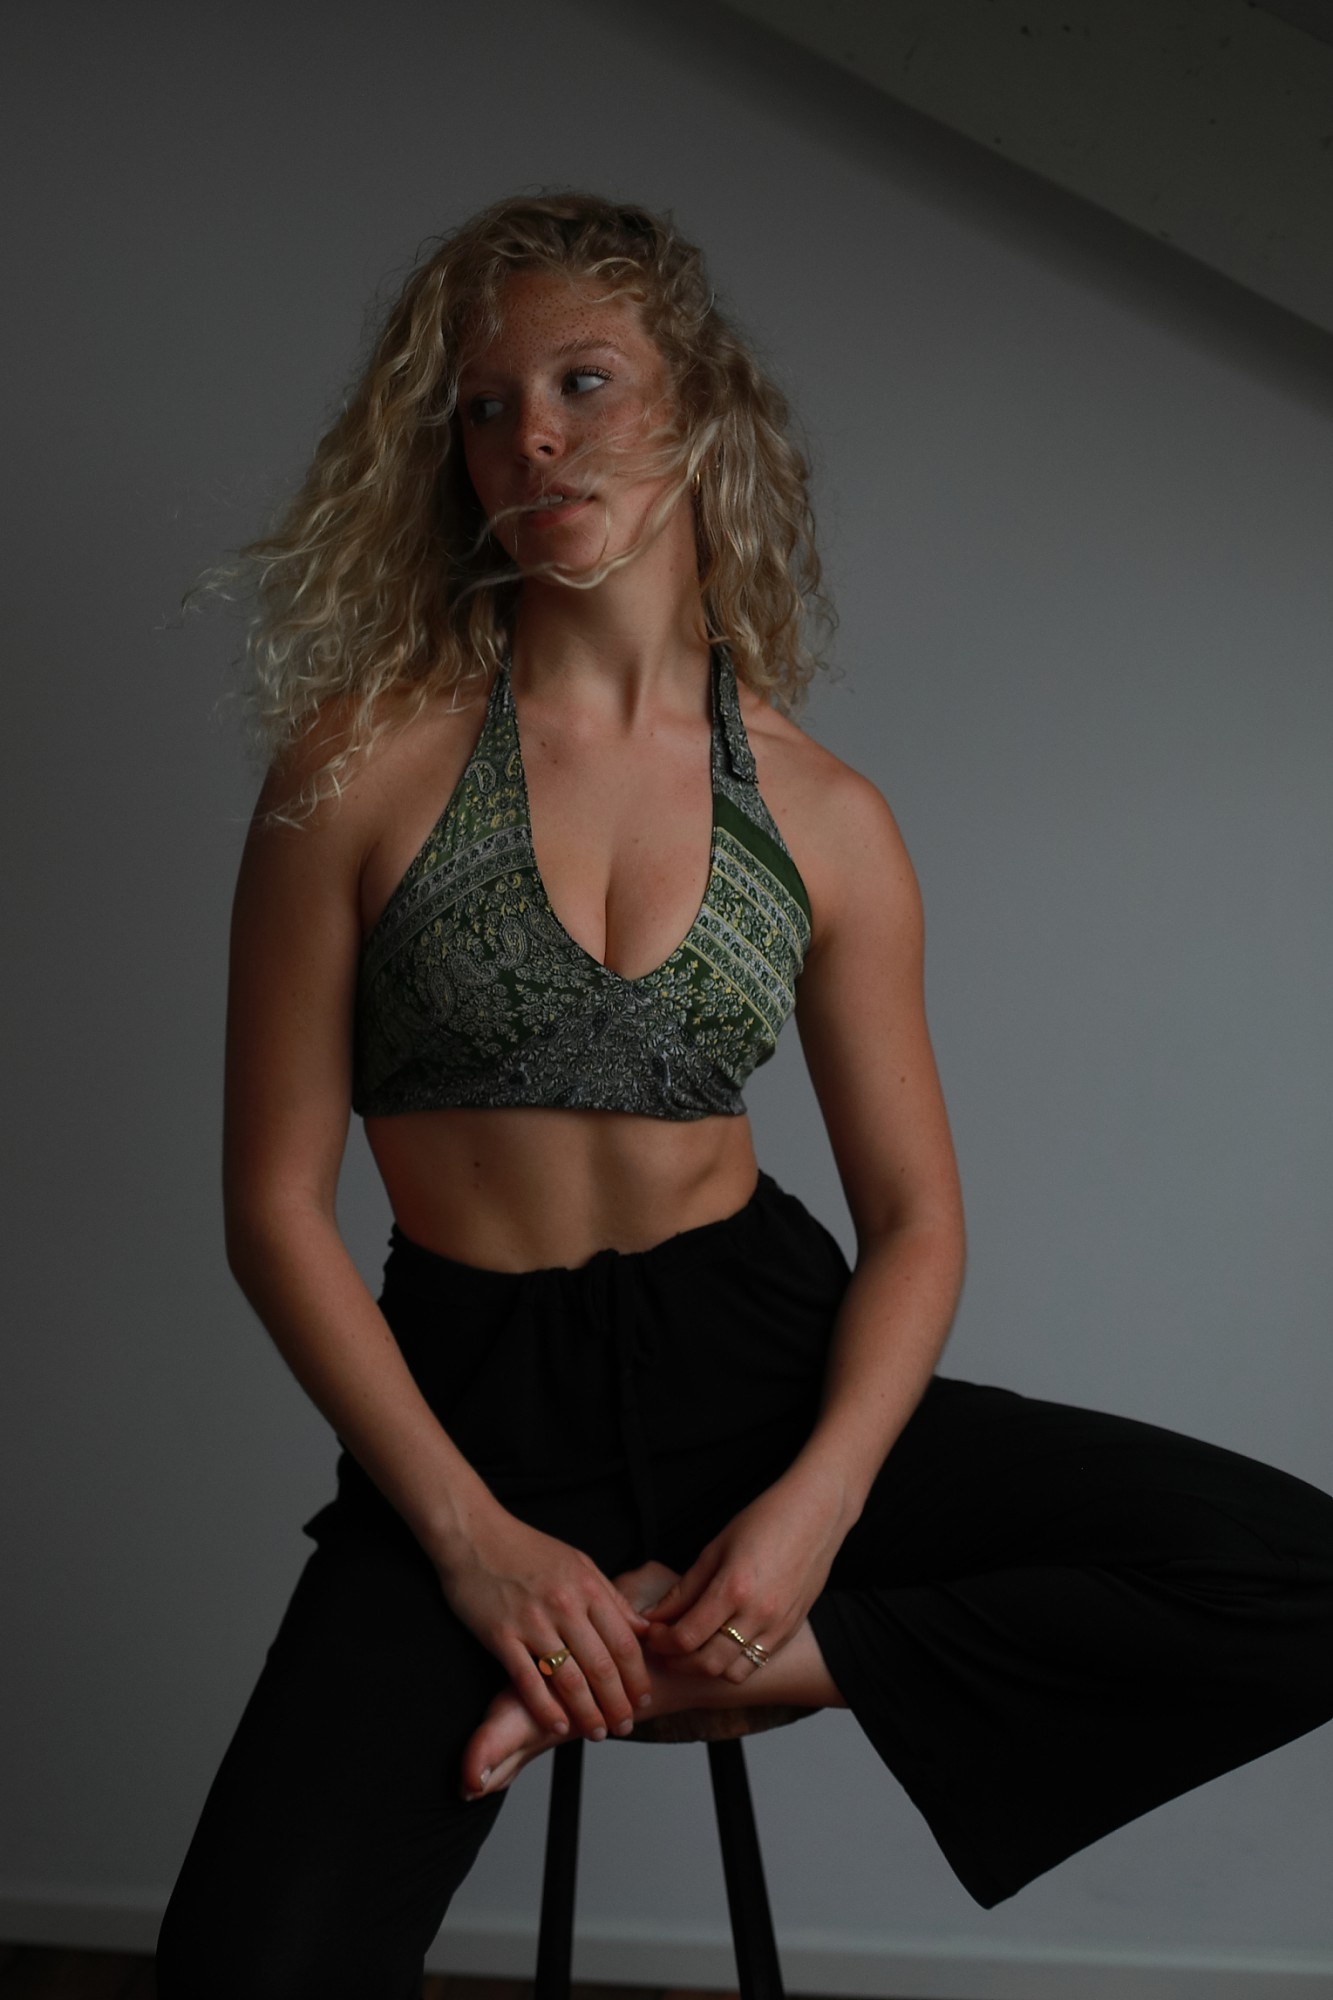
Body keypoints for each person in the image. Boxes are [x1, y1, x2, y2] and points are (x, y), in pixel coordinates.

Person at [157, 193, 1333, 1998]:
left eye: (583, 381)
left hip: (761, 1368)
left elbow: (916, 1221)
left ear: (700, 405)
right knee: (244, 1971)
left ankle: (742, 1668)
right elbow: (271, 1207)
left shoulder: (827, 813)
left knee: (1292, 1574)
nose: (533, 436)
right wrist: (472, 1547)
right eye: (484, 407)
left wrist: (815, 1527)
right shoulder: (360, 764)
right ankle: (609, 1639)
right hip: (472, 1419)